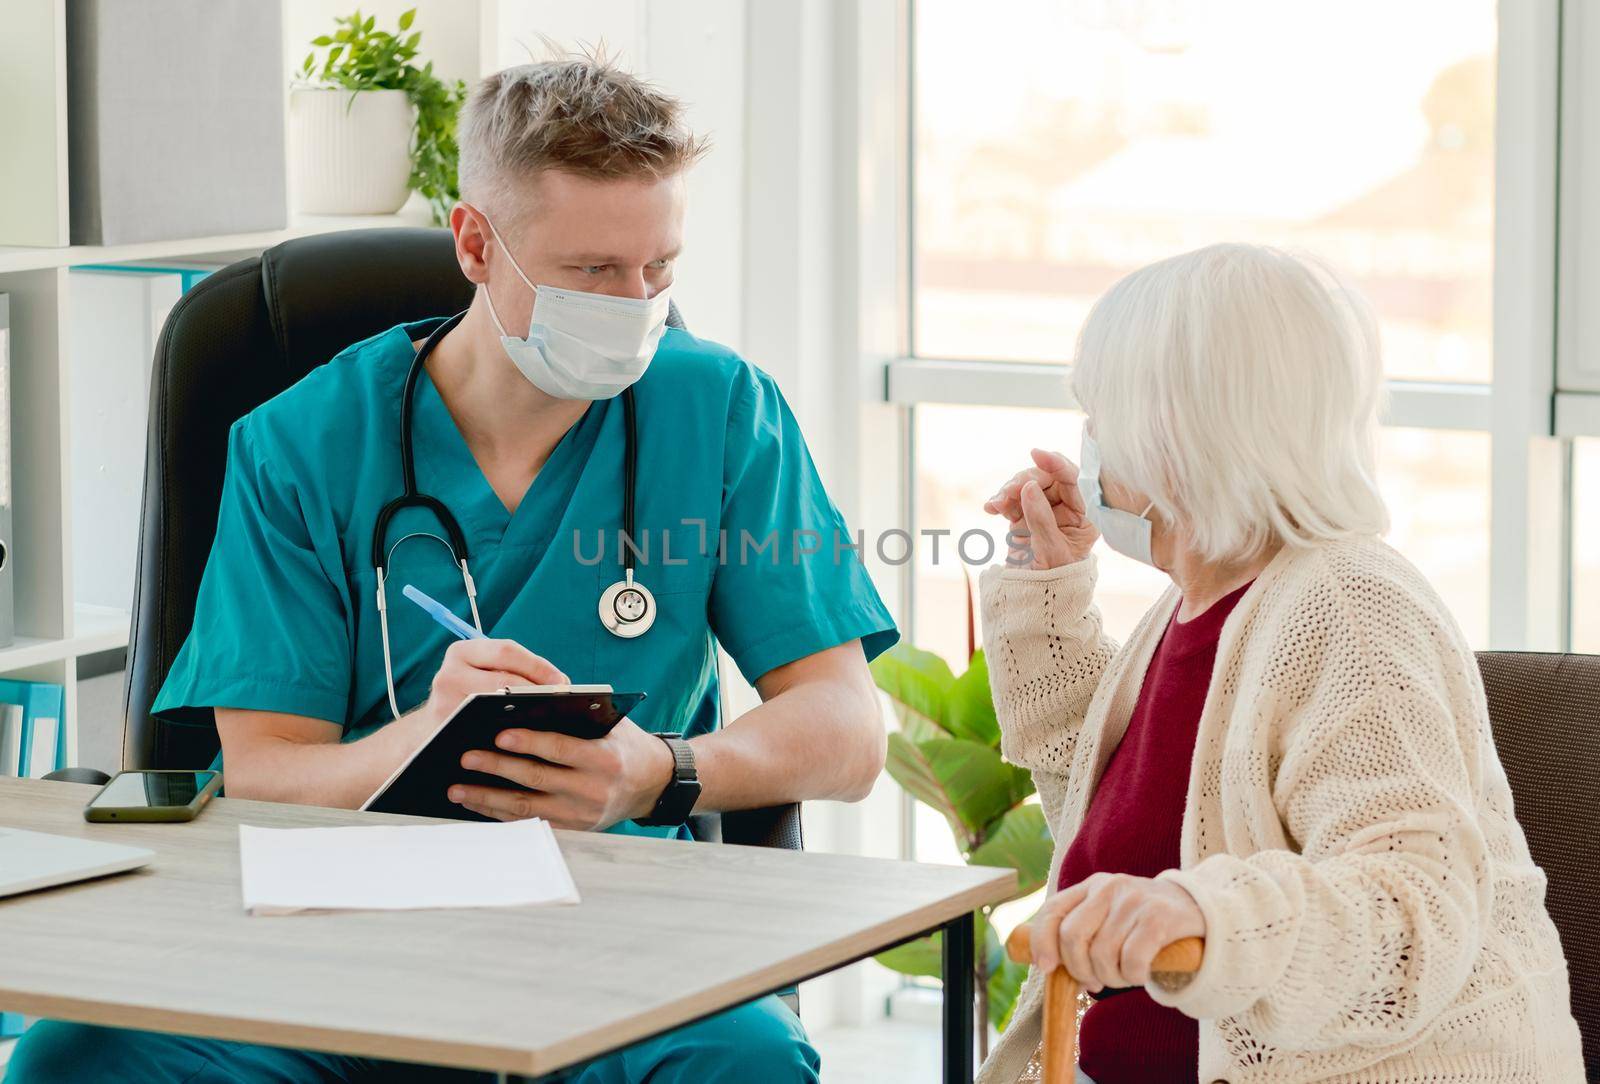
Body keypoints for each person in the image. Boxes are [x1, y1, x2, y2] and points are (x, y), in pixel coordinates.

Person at [7, 55, 896, 1084]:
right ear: (477, 244)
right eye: (594, 272)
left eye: (660, 268)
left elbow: (846, 730)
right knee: (76, 1061)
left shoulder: (722, 411)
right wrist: (423, 735)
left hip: (614, 937)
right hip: (324, 937)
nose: (637, 303)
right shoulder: (304, 440)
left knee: (745, 1064)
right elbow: (264, 769)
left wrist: (662, 768)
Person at [975, 244, 1582, 1084]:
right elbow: (1101, 799)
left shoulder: (1349, 605)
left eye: (1101, 416)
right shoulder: (1197, 603)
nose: (1091, 451)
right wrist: (1048, 589)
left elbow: (1412, 911)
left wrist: (1200, 910)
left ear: (1173, 432)